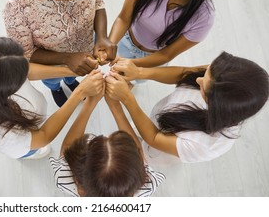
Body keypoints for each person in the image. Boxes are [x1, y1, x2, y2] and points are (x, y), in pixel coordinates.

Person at [3, 0, 116, 107]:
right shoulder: (17, 8)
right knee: (53, 80)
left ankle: (70, 82)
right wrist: (68, 58)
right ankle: (55, 88)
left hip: (85, 47)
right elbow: (26, 54)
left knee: (73, 75)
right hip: (51, 63)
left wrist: (101, 36)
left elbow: (99, 4)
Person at [105, 52, 269, 165]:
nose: (198, 80)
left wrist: (123, 101)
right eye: (206, 73)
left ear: (218, 106)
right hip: (160, 121)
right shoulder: (221, 74)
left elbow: (153, 139)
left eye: (204, 87)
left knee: (140, 153)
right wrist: (139, 72)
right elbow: (184, 74)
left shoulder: (207, 144)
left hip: (155, 147)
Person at [0, 37, 104, 159]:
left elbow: (26, 69)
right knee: (36, 150)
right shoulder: (2, 135)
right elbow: (43, 136)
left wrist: (70, 71)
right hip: (27, 142)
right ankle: (34, 154)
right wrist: (79, 94)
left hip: (32, 117)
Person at [49, 84, 165, 196]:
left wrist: (90, 103)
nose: (104, 136)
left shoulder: (64, 179)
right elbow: (138, 150)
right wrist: (115, 107)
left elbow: (67, 147)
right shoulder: (147, 185)